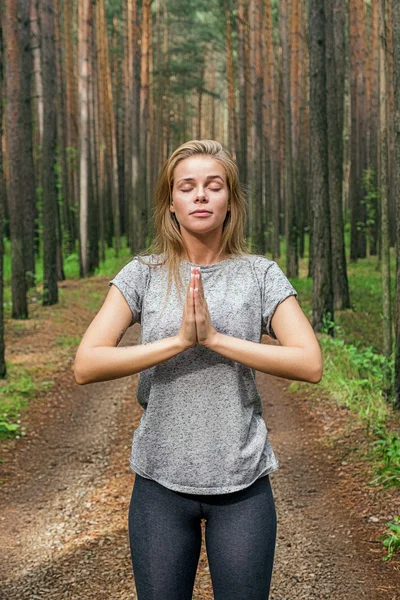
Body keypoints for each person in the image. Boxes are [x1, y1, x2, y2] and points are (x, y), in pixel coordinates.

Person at [74, 139, 323, 600]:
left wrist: (214, 340)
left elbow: (309, 362)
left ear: (230, 201)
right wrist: (179, 342)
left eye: (214, 186)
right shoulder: (143, 273)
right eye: (187, 187)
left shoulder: (260, 274)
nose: (201, 195)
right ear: (171, 202)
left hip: (243, 482)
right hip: (159, 483)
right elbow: (87, 364)